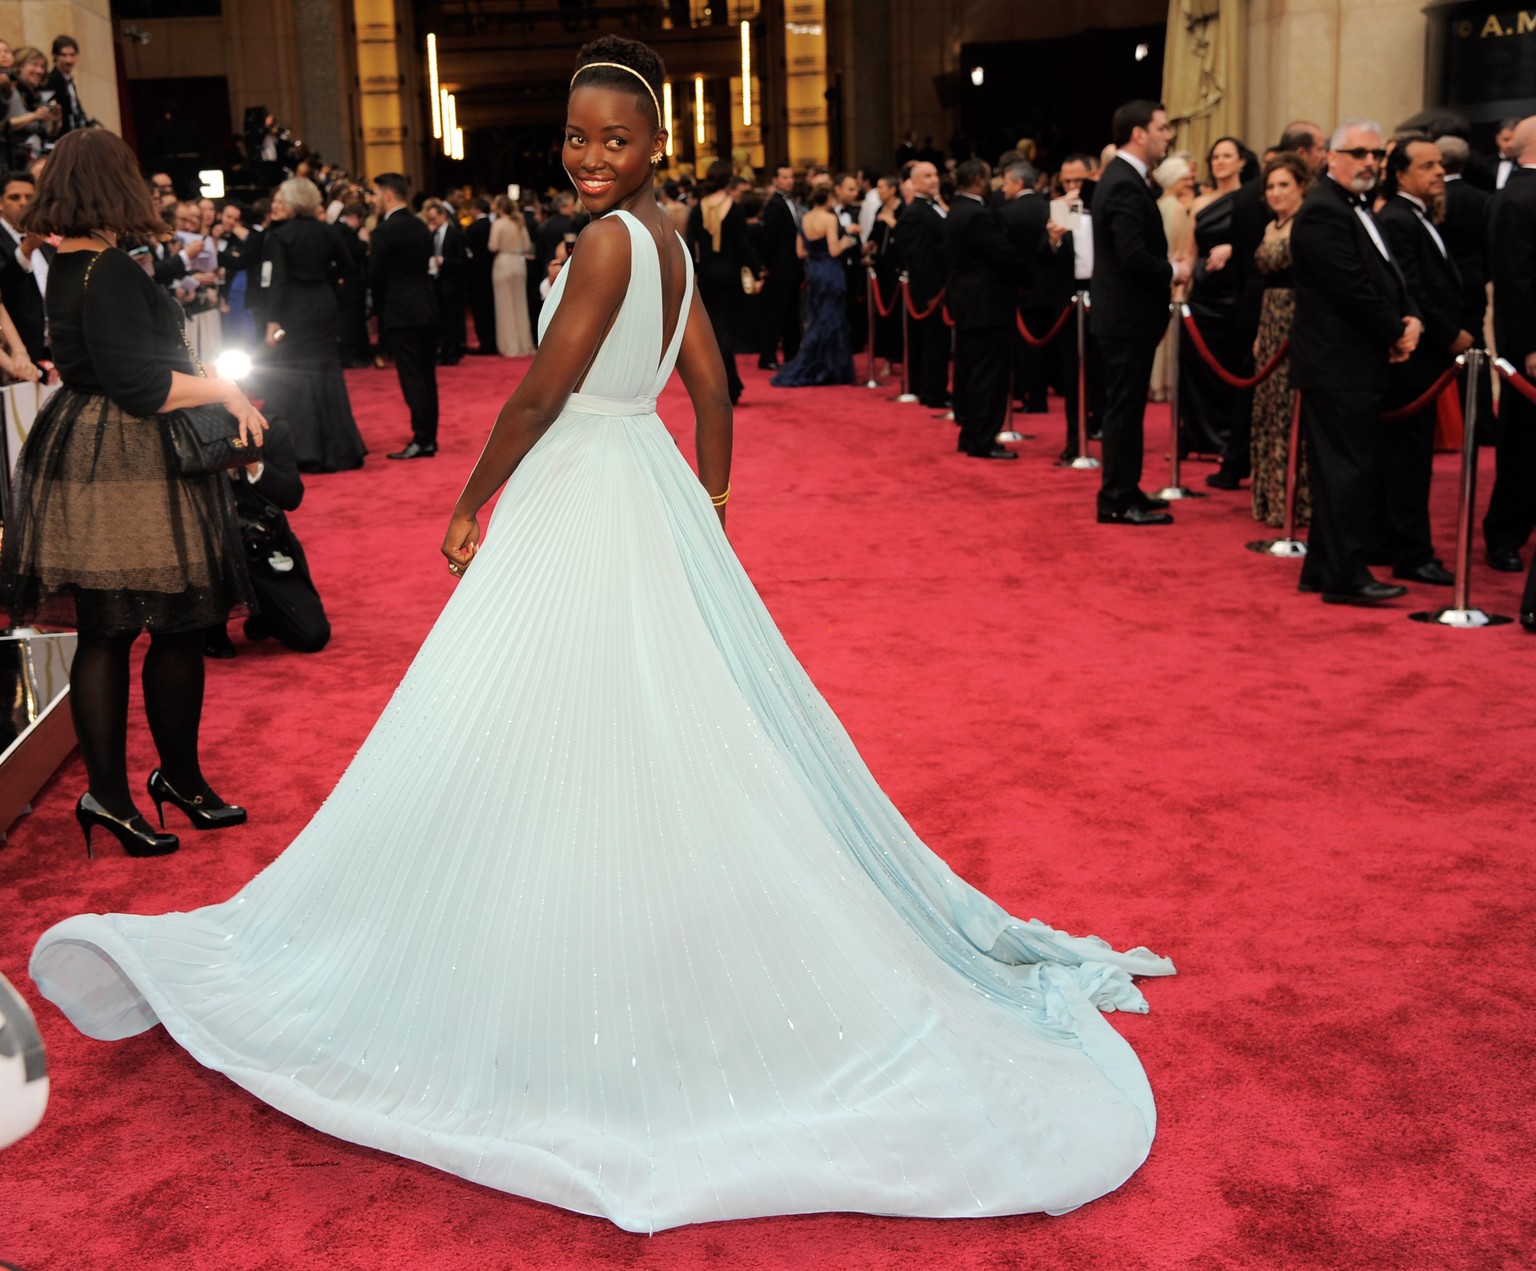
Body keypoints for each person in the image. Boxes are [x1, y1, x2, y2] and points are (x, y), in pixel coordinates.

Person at [28, 35, 1172, 1233]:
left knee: (529, 708)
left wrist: (472, 497)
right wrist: (712, 510)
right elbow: (715, 397)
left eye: (613, 141)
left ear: (654, 148)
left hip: (582, 484)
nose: (588, 157)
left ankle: (555, 932)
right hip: (651, 486)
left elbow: (537, 394)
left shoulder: (608, 244)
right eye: (575, 138)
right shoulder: (672, 243)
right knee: (646, 716)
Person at [0, 128, 266, 857]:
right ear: (116, 184)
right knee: (167, 622)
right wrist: (228, 386)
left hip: (88, 449)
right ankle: (132, 792)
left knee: (112, 629)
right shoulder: (108, 268)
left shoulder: (65, 263)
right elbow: (142, 386)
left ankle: (135, 791)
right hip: (126, 457)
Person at [1290, 119, 1420, 605]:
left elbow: (1382, 275)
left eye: (1376, 155)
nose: (1370, 162)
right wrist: (1394, 330)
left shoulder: (1348, 207)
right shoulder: (1324, 210)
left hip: (1349, 359)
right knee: (1349, 470)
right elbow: (1350, 288)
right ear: (1332, 158)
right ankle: (1346, 578)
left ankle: (1322, 569)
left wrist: (1406, 320)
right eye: (1359, 153)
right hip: (1338, 362)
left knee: (1341, 469)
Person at [1372, 136, 1468, 586]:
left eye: (1439, 164)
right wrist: (1451, 336)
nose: (1437, 172)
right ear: (1401, 173)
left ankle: (1395, 543)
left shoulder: (1416, 215)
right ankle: (1411, 552)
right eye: (1427, 165)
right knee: (1408, 459)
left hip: (1425, 356)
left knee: (1409, 458)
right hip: (1414, 357)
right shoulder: (1396, 218)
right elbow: (1410, 292)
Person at [1090, 101, 1187, 525]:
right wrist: (1175, 270)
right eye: (1163, 128)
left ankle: (1126, 490)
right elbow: (1131, 256)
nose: (1169, 136)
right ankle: (1116, 498)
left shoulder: (1126, 178)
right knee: (1124, 410)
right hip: (1126, 317)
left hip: (1127, 316)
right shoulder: (1125, 182)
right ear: (1138, 134)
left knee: (1127, 409)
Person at [260, 177, 366, 473]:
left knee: (295, 373)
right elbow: (349, 268)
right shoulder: (329, 231)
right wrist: (325, 281)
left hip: (294, 307)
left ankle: (303, 448)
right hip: (323, 303)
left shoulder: (281, 235)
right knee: (326, 370)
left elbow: (277, 281)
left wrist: (272, 321)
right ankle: (342, 449)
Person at [945, 158, 1032, 457]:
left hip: (967, 303)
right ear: (980, 180)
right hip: (987, 305)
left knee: (971, 372)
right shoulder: (976, 215)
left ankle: (970, 434)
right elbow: (1002, 254)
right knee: (989, 375)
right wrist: (1026, 277)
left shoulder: (956, 210)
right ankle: (983, 439)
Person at [1483, 116, 1536, 574]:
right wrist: (1529, 346)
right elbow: (1515, 283)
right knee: (1522, 441)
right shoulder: (1517, 197)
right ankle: (1504, 533)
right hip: (1528, 351)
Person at [1178, 137, 1250, 458]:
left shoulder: (1250, 199)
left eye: (1227, 156)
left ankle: (1228, 440)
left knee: (1231, 367)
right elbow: (1191, 252)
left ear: (1241, 162)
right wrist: (1181, 292)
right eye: (1215, 156)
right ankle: (1196, 436)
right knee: (1198, 370)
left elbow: (1262, 239)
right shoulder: (1200, 204)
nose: (1220, 162)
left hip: (1234, 294)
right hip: (1203, 298)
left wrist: (1233, 247)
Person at [1248, 153, 1310, 528]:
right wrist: (1259, 332)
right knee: (1269, 411)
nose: (1275, 192)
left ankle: (1297, 502)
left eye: (1284, 184)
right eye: (1270, 186)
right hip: (1271, 324)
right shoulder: (1272, 226)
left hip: (1298, 322)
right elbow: (1265, 284)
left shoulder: (1306, 225)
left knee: (1292, 412)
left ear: (1302, 186)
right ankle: (1272, 497)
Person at [369, 172, 439, 459]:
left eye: (374, 195)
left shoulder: (384, 231)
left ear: (387, 195)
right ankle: (429, 438)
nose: (372, 201)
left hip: (400, 310)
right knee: (427, 375)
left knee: (412, 377)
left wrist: (377, 309)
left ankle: (421, 439)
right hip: (426, 305)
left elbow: (376, 276)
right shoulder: (420, 226)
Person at [769, 184, 856, 388]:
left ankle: (818, 361)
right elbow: (834, 250)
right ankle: (831, 366)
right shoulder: (830, 218)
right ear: (828, 199)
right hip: (831, 271)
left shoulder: (805, 218)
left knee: (817, 317)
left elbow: (800, 252)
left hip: (815, 272)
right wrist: (848, 241)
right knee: (833, 317)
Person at [687, 159, 752, 404]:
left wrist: (692, 272)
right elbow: (743, 246)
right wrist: (756, 268)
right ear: (728, 179)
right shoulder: (734, 209)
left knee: (713, 333)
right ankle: (728, 387)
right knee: (726, 334)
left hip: (707, 275)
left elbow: (690, 244)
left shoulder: (698, 208)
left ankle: (724, 385)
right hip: (730, 275)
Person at [893, 159, 950, 408]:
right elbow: (920, 258)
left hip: (938, 288)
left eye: (935, 174)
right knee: (932, 342)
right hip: (929, 291)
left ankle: (929, 387)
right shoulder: (915, 212)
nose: (934, 179)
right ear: (913, 182)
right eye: (927, 176)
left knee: (934, 341)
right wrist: (932, 292)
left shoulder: (931, 206)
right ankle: (932, 392)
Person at [1149, 155, 1193, 403]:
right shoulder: (1176, 208)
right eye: (1185, 178)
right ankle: (1164, 383)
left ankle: (1156, 384)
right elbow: (1181, 245)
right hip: (1173, 274)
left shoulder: (1157, 204)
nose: (1189, 183)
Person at [756, 162, 803, 369]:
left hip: (790, 268)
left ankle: (792, 355)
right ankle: (767, 357)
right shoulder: (775, 204)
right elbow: (768, 239)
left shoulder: (787, 202)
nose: (788, 181)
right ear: (775, 180)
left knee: (791, 314)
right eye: (784, 177)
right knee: (776, 314)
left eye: (790, 177)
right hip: (780, 268)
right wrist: (768, 265)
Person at [488, 193, 535, 356]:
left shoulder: (498, 224)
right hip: (519, 262)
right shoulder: (520, 223)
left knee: (505, 305)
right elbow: (528, 245)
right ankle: (524, 345)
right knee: (520, 304)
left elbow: (492, 246)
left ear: (499, 207)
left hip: (503, 262)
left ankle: (510, 347)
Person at [424, 199, 467, 365]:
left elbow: (462, 261)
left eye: (434, 218)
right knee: (440, 320)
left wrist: (444, 261)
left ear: (443, 216)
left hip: (452, 284)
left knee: (452, 320)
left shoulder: (455, 234)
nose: (432, 222)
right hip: (436, 284)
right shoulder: (431, 233)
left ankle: (453, 352)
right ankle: (443, 351)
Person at [4, 48, 60, 167]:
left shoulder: (37, 97)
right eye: (34, 65)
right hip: (10, 159)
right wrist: (34, 116)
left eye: (42, 67)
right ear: (19, 66)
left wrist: (55, 121)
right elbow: (5, 125)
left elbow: (48, 131)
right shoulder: (9, 91)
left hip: (32, 157)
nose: (39, 71)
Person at [462, 196, 496, 354]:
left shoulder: (472, 228)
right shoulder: (492, 225)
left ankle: (485, 344)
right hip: (493, 273)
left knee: (480, 312)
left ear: (476, 209)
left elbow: (468, 253)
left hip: (476, 275)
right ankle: (493, 342)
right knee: (491, 310)